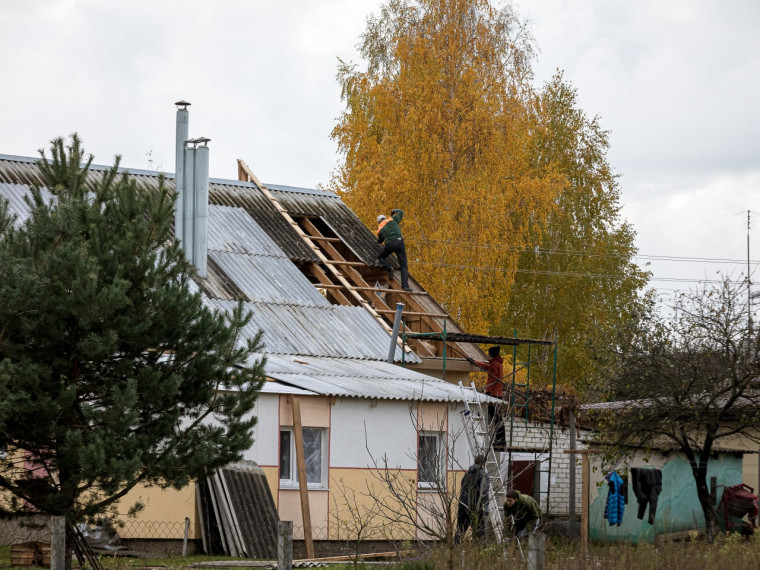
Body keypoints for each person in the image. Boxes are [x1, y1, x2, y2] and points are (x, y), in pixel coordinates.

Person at [466, 346, 506, 450]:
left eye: (488, 353)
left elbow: (492, 380)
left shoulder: (494, 365)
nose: (487, 355)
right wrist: (474, 362)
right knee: (497, 417)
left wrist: (487, 392)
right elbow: (486, 367)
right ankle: (500, 439)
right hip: (498, 394)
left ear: (491, 354)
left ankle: (500, 440)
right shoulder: (497, 364)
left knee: (496, 418)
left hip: (493, 394)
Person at [455, 455, 490, 544]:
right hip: (474, 506)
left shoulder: (467, 474)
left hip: (462, 504)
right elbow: (484, 492)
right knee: (480, 531)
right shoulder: (483, 474)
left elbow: (462, 488)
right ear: (484, 463)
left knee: (460, 530)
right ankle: (483, 553)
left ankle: (454, 551)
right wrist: (486, 508)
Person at [377, 209, 411, 291]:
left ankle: (389, 268)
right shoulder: (393, 219)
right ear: (385, 218)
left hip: (390, 244)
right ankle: (405, 287)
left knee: (381, 257)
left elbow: (380, 240)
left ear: (379, 222)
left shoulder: (380, 229)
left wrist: (377, 241)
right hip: (400, 243)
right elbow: (401, 212)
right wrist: (393, 211)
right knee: (403, 266)